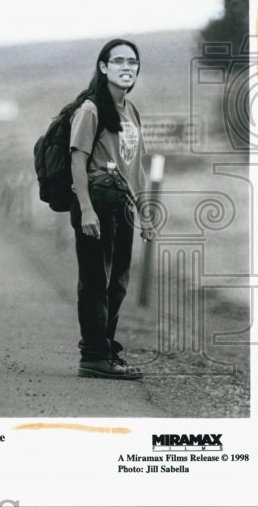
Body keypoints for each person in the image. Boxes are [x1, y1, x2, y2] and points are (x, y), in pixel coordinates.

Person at [68, 38, 154, 380]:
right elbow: (77, 160)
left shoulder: (130, 111)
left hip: (125, 207)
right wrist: (86, 210)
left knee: (117, 283)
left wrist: (145, 212)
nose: (126, 67)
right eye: (117, 61)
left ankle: (105, 348)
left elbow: (136, 167)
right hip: (98, 204)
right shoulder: (91, 109)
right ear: (103, 67)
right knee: (94, 281)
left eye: (132, 62)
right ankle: (93, 357)